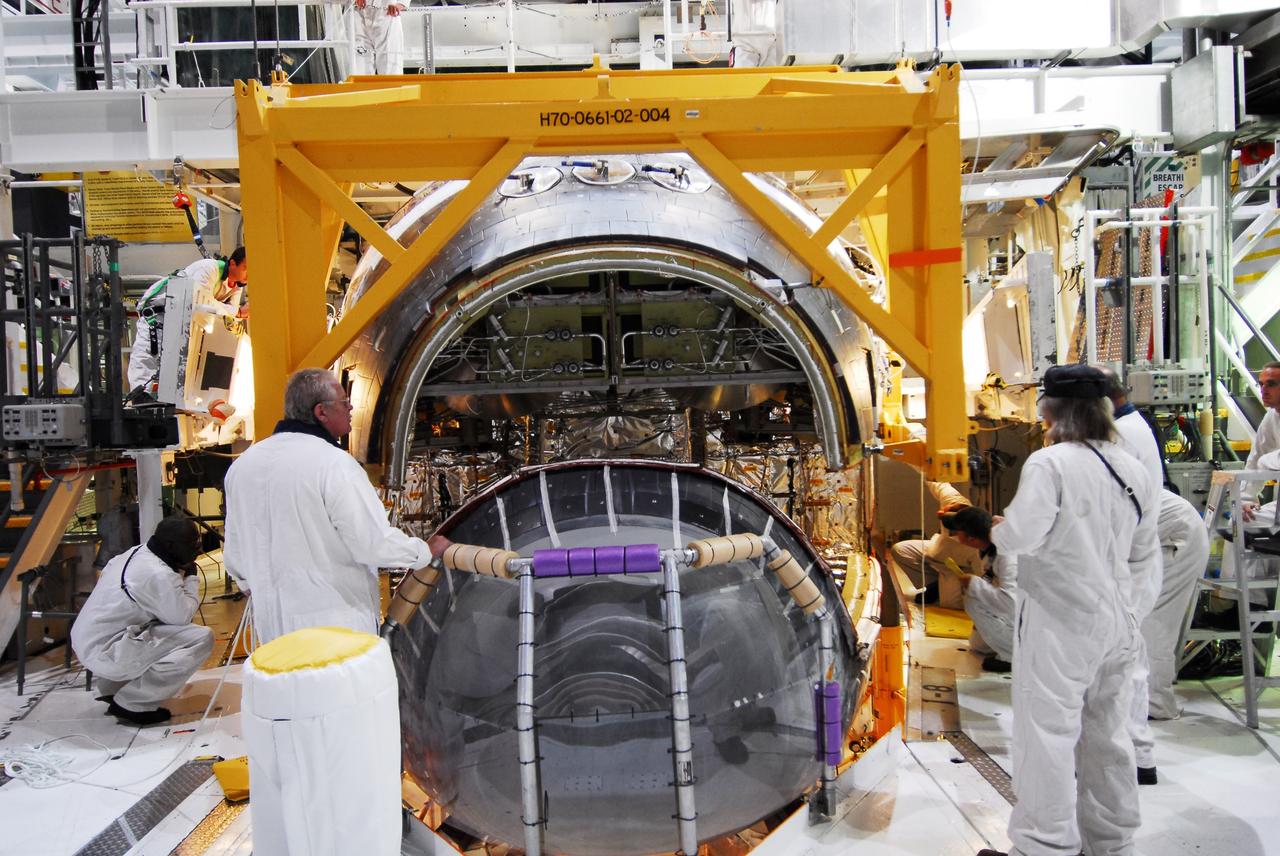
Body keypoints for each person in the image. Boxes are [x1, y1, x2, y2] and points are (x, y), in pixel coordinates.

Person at [977, 364, 1159, 856]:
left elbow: (1022, 535)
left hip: (1061, 622)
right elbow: (1144, 550)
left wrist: (991, 528)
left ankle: (1045, 845)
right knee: (1108, 734)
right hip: (1118, 623)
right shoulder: (1133, 467)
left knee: (1048, 735)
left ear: (1052, 411)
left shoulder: (1051, 463)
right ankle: (1112, 840)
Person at [223, 368, 451, 644]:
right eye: (344, 402)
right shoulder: (333, 464)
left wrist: (263, 590)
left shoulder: (244, 465)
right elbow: (372, 543)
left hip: (273, 630)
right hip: (335, 628)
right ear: (321, 412)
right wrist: (424, 552)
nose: (351, 407)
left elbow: (235, 554)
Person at [71, 516, 214, 726]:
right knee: (200, 638)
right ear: (171, 545)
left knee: (153, 624)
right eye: (193, 545)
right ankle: (134, 704)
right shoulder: (157, 574)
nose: (198, 551)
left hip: (88, 641)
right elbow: (182, 617)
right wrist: (191, 578)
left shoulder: (135, 553)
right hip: (106, 652)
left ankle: (112, 688)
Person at [1125, 489, 1210, 781]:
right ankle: (1151, 700)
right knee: (1144, 621)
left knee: (1154, 623)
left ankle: (1158, 704)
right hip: (1162, 537)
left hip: (1175, 538)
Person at [127, 248, 248, 402]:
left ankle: (161, 399)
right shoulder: (209, 268)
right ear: (232, 264)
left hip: (182, 319)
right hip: (159, 313)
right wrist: (237, 312)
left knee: (175, 361)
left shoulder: (235, 287)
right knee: (148, 354)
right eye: (246, 268)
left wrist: (235, 314)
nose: (248, 275)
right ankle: (139, 397)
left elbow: (227, 316)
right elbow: (199, 301)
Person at [941, 506, 1017, 673]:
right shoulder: (990, 542)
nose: (954, 534)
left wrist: (975, 585)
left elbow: (1011, 603)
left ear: (971, 538)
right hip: (1021, 616)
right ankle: (1008, 645)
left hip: (1030, 618)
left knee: (973, 599)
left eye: (957, 531)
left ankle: (1012, 656)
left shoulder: (1007, 556)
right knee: (977, 646)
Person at [889, 481, 982, 610]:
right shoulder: (953, 500)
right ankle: (934, 585)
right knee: (901, 550)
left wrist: (970, 584)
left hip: (957, 570)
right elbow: (938, 482)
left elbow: (983, 577)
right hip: (937, 550)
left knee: (951, 605)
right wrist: (919, 463)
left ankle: (941, 589)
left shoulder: (978, 546)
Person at [351, 0, 407, 75]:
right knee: (359, 69)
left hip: (387, 13)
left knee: (390, 70)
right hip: (357, 12)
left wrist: (401, 3)